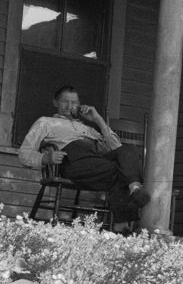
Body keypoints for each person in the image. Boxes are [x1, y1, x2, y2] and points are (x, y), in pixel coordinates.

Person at [18, 85, 150, 231]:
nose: (69, 106)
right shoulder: (45, 122)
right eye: (64, 101)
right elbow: (24, 153)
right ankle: (123, 224)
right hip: (74, 162)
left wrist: (97, 119)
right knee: (122, 171)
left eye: (74, 102)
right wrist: (45, 158)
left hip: (97, 161)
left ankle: (133, 189)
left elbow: (117, 148)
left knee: (129, 150)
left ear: (79, 105)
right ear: (55, 102)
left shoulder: (88, 129)